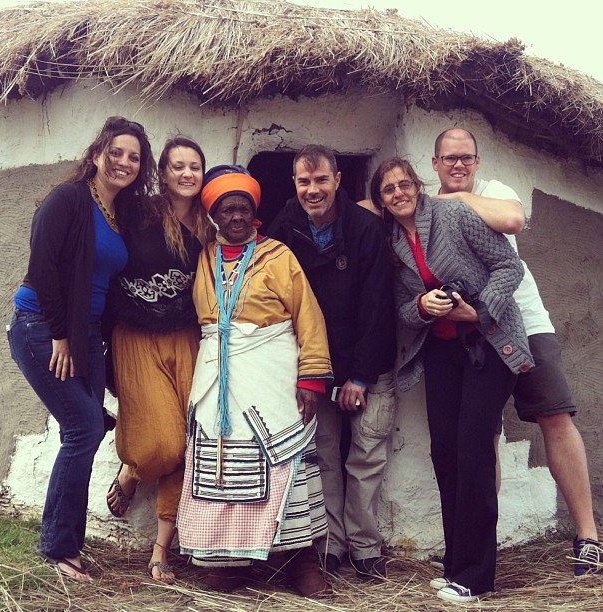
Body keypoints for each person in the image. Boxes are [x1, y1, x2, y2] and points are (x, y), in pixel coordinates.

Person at [432, 127, 602, 577]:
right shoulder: (431, 204)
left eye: (466, 157)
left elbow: (513, 220)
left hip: (525, 323)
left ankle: (588, 538)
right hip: (475, 332)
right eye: (449, 158)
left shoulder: (493, 191)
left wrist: (459, 199)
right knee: (480, 435)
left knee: (555, 415)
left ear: (478, 161)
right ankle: (481, 549)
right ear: (434, 164)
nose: (458, 165)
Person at [370, 157, 533, 603]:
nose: (399, 192)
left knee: (473, 451)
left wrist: (479, 311)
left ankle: (477, 577)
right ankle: (457, 566)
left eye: (405, 184)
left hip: (489, 344)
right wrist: (424, 306)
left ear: (418, 186)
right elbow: (405, 309)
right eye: (388, 189)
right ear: (381, 199)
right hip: (442, 352)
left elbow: (508, 267)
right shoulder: (390, 241)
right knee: (445, 453)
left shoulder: (454, 214)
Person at [7, 116, 155, 582]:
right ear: (96, 154)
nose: (124, 163)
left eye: (134, 157)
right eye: (116, 152)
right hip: (42, 327)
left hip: (88, 333)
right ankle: (58, 547)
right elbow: (43, 269)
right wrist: (60, 337)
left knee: (86, 430)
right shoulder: (67, 199)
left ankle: (62, 540)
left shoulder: (121, 213)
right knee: (84, 427)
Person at [176, 165, 334, 597]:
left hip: (273, 376)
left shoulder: (279, 256)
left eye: (243, 209)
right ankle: (231, 561)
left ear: (254, 213)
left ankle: (302, 563)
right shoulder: (204, 257)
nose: (236, 218)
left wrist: (311, 379)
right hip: (217, 379)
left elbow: (308, 317)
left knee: (288, 462)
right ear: (215, 217)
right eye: (227, 211)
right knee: (224, 466)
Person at [267, 145, 396, 580]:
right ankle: (330, 545)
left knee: (365, 456)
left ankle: (365, 546)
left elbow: (377, 303)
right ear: (295, 184)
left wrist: (360, 375)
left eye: (321, 180)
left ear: (338, 180)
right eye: (304, 181)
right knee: (323, 456)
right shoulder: (284, 225)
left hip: (367, 359)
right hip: (315, 362)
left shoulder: (364, 227)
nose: (313, 189)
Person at [105, 136, 212, 583]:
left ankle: (160, 550)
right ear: (163, 173)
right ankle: (133, 469)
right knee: (160, 446)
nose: (187, 174)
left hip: (185, 337)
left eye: (195, 167)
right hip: (135, 336)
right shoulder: (139, 213)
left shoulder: (211, 226)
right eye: (178, 167)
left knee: (188, 442)